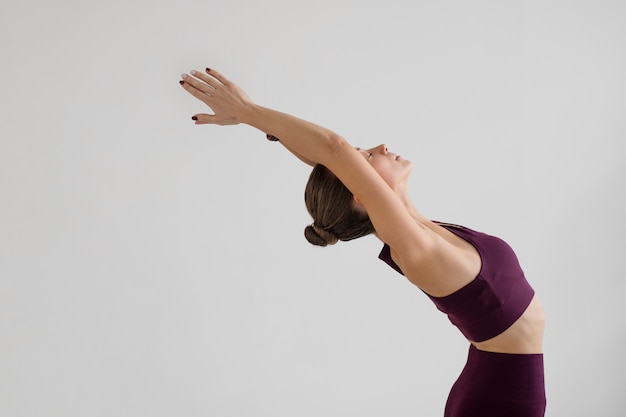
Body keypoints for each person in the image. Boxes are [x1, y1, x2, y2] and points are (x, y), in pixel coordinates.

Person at [179, 67, 547, 417]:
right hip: (502, 398)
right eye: (369, 156)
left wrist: (259, 125)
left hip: (495, 384)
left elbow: (325, 158)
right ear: (361, 192)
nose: (382, 146)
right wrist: (246, 110)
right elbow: (334, 149)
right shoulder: (416, 249)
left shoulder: (421, 228)